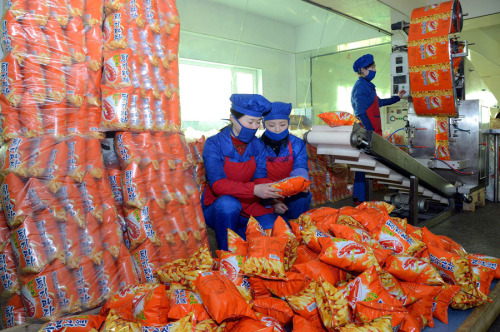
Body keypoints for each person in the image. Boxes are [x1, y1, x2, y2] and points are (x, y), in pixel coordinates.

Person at [202, 94, 282, 250]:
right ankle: (227, 258)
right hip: (219, 208)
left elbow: (260, 177)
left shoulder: (257, 146)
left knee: (275, 226)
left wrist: (275, 192)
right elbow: (218, 185)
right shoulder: (213, 144)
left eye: (258, 122)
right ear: (233, 118)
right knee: (228, 204)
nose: (254, 127)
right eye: (250, 122)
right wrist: (253, 190)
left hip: (248, 205)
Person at [351, 53, 406, 203]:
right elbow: (360, 111)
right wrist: (370, 132)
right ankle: (360, 198)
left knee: (364, 164)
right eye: (372, 67)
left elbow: (379, 103)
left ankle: (360, 198)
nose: (375, 69)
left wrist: (397, 98)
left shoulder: (368, 86)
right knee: (366, 164)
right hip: (367, 132)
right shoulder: (360, 87)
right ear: (363, 70)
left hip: (373, 131)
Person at [260, 102, 311, 220]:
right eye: (271, 125)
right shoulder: (257, 145)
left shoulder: (297, 144)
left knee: (303, 197)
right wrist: (273, 201)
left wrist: (301, 182)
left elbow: (300, 166)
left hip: (291, 191)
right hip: (266, 192)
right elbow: (257, 177)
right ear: (263, 124)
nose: (277, 129)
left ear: (288, 123)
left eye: (282, 124)